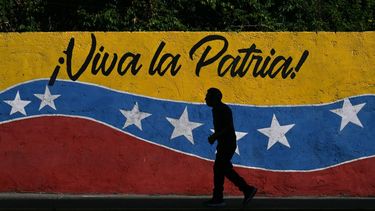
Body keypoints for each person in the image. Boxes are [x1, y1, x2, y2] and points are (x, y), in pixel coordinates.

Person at [205, 87, 257, 207]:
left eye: (208, 96)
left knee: (221, 169)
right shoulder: (216, 109)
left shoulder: (223, 109)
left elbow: (228, 127)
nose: (206, 99)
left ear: (215, 98)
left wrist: (214, 136)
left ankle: (246, 189)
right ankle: (220, 197)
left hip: (228, 144)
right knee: (221, 169)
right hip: (224, 143)